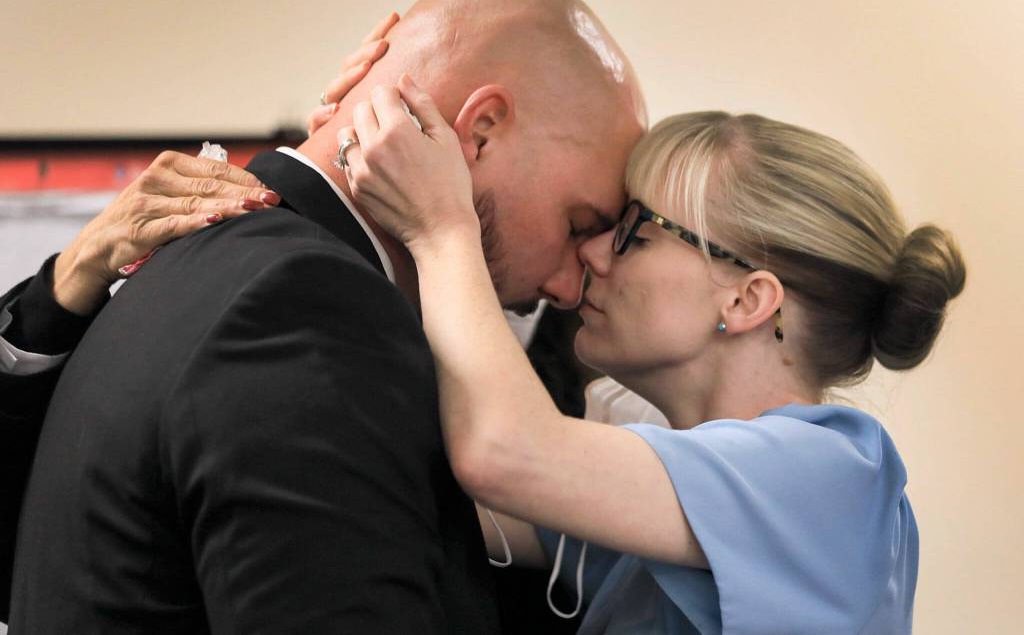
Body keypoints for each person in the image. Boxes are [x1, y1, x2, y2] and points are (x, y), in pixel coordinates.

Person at [0, 0, 645, 633]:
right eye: (578, 223)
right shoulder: (307, 304)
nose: (569, 288)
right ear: (479, 131)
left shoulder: (217, 262)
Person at [332, 84, 966, 632]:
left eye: (634, 230)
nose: (593, 253)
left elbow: (503, 453)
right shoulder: (677, 479)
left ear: (748, 298)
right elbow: (402, 488)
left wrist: (444, 226)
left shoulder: (828, 478)